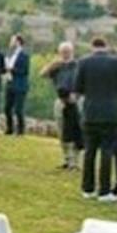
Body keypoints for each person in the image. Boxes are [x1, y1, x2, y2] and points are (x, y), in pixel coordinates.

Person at [75, 37, 117, 201]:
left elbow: (78, 87)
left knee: (89, 151)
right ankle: (104, 190)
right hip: (111, 112)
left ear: (92, 46)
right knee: (107, 151)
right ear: (106, 47)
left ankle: (87, 188)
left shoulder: (83, 62)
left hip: (90, 112)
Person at [44, 42, 81, 170]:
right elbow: (43, 74)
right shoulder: (57, 67)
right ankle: (67, 159)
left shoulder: (78, 66)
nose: (65, 55)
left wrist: (76, 95)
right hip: (61, 100)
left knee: (76, 131)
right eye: (63, 52)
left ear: (72, 52)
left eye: (67, 52)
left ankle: (75, 161)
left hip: (76, 100)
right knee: (62, 130)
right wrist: (53, 64)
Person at [4, 33, 30, 136]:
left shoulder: (24, 55)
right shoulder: (10, 54)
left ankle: (20, 130)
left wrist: (12, 70)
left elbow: (24, 70)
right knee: (7, 108)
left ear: (18, 42)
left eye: (12, 41)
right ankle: (9, 128)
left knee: (18, 109)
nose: (10, 43)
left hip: (20, 85)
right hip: (10, 83)